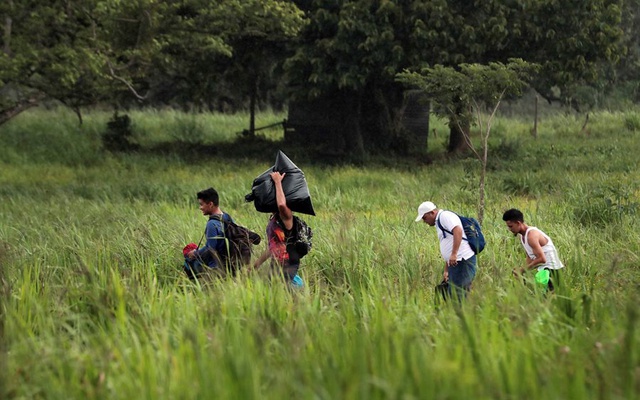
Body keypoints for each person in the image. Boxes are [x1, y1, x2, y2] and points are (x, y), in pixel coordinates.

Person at [415, 201, 477, 300]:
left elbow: (458, 230)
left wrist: (454, 254)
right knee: (453, 293)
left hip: (462, 261)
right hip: (455, 262)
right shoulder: (439, 221)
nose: (424, 221)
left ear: (432, 212)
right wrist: (446, 270)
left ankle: (465, 314)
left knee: (458, 294)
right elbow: (448, 245)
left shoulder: (445, 216)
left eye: (424, 218)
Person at [253, 171, 304, 288]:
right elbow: (273, 247)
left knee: (281, 290)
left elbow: (281, 205)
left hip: (288, 262)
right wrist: (256, 264)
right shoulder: (274, 220)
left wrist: (277, 182)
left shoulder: (287, 217)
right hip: (277, 262)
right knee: (273, 289)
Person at [502, 208, 564, 291]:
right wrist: (521, 270)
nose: (509, 229)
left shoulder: (531, 235)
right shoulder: (523, 236)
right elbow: (530, 256)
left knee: (546, 300)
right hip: (544, 271)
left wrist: (523, 270)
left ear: (518, 223)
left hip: (553, 271)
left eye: (511, 226)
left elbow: (542, 259)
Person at [184, 187, 234, 280]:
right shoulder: (227, 217)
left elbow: (210, 249)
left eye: (201, 204)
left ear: (210, 204)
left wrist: (195, 253)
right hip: (231, 265)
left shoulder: (212, 224)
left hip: (216, 268)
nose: (200, 207)